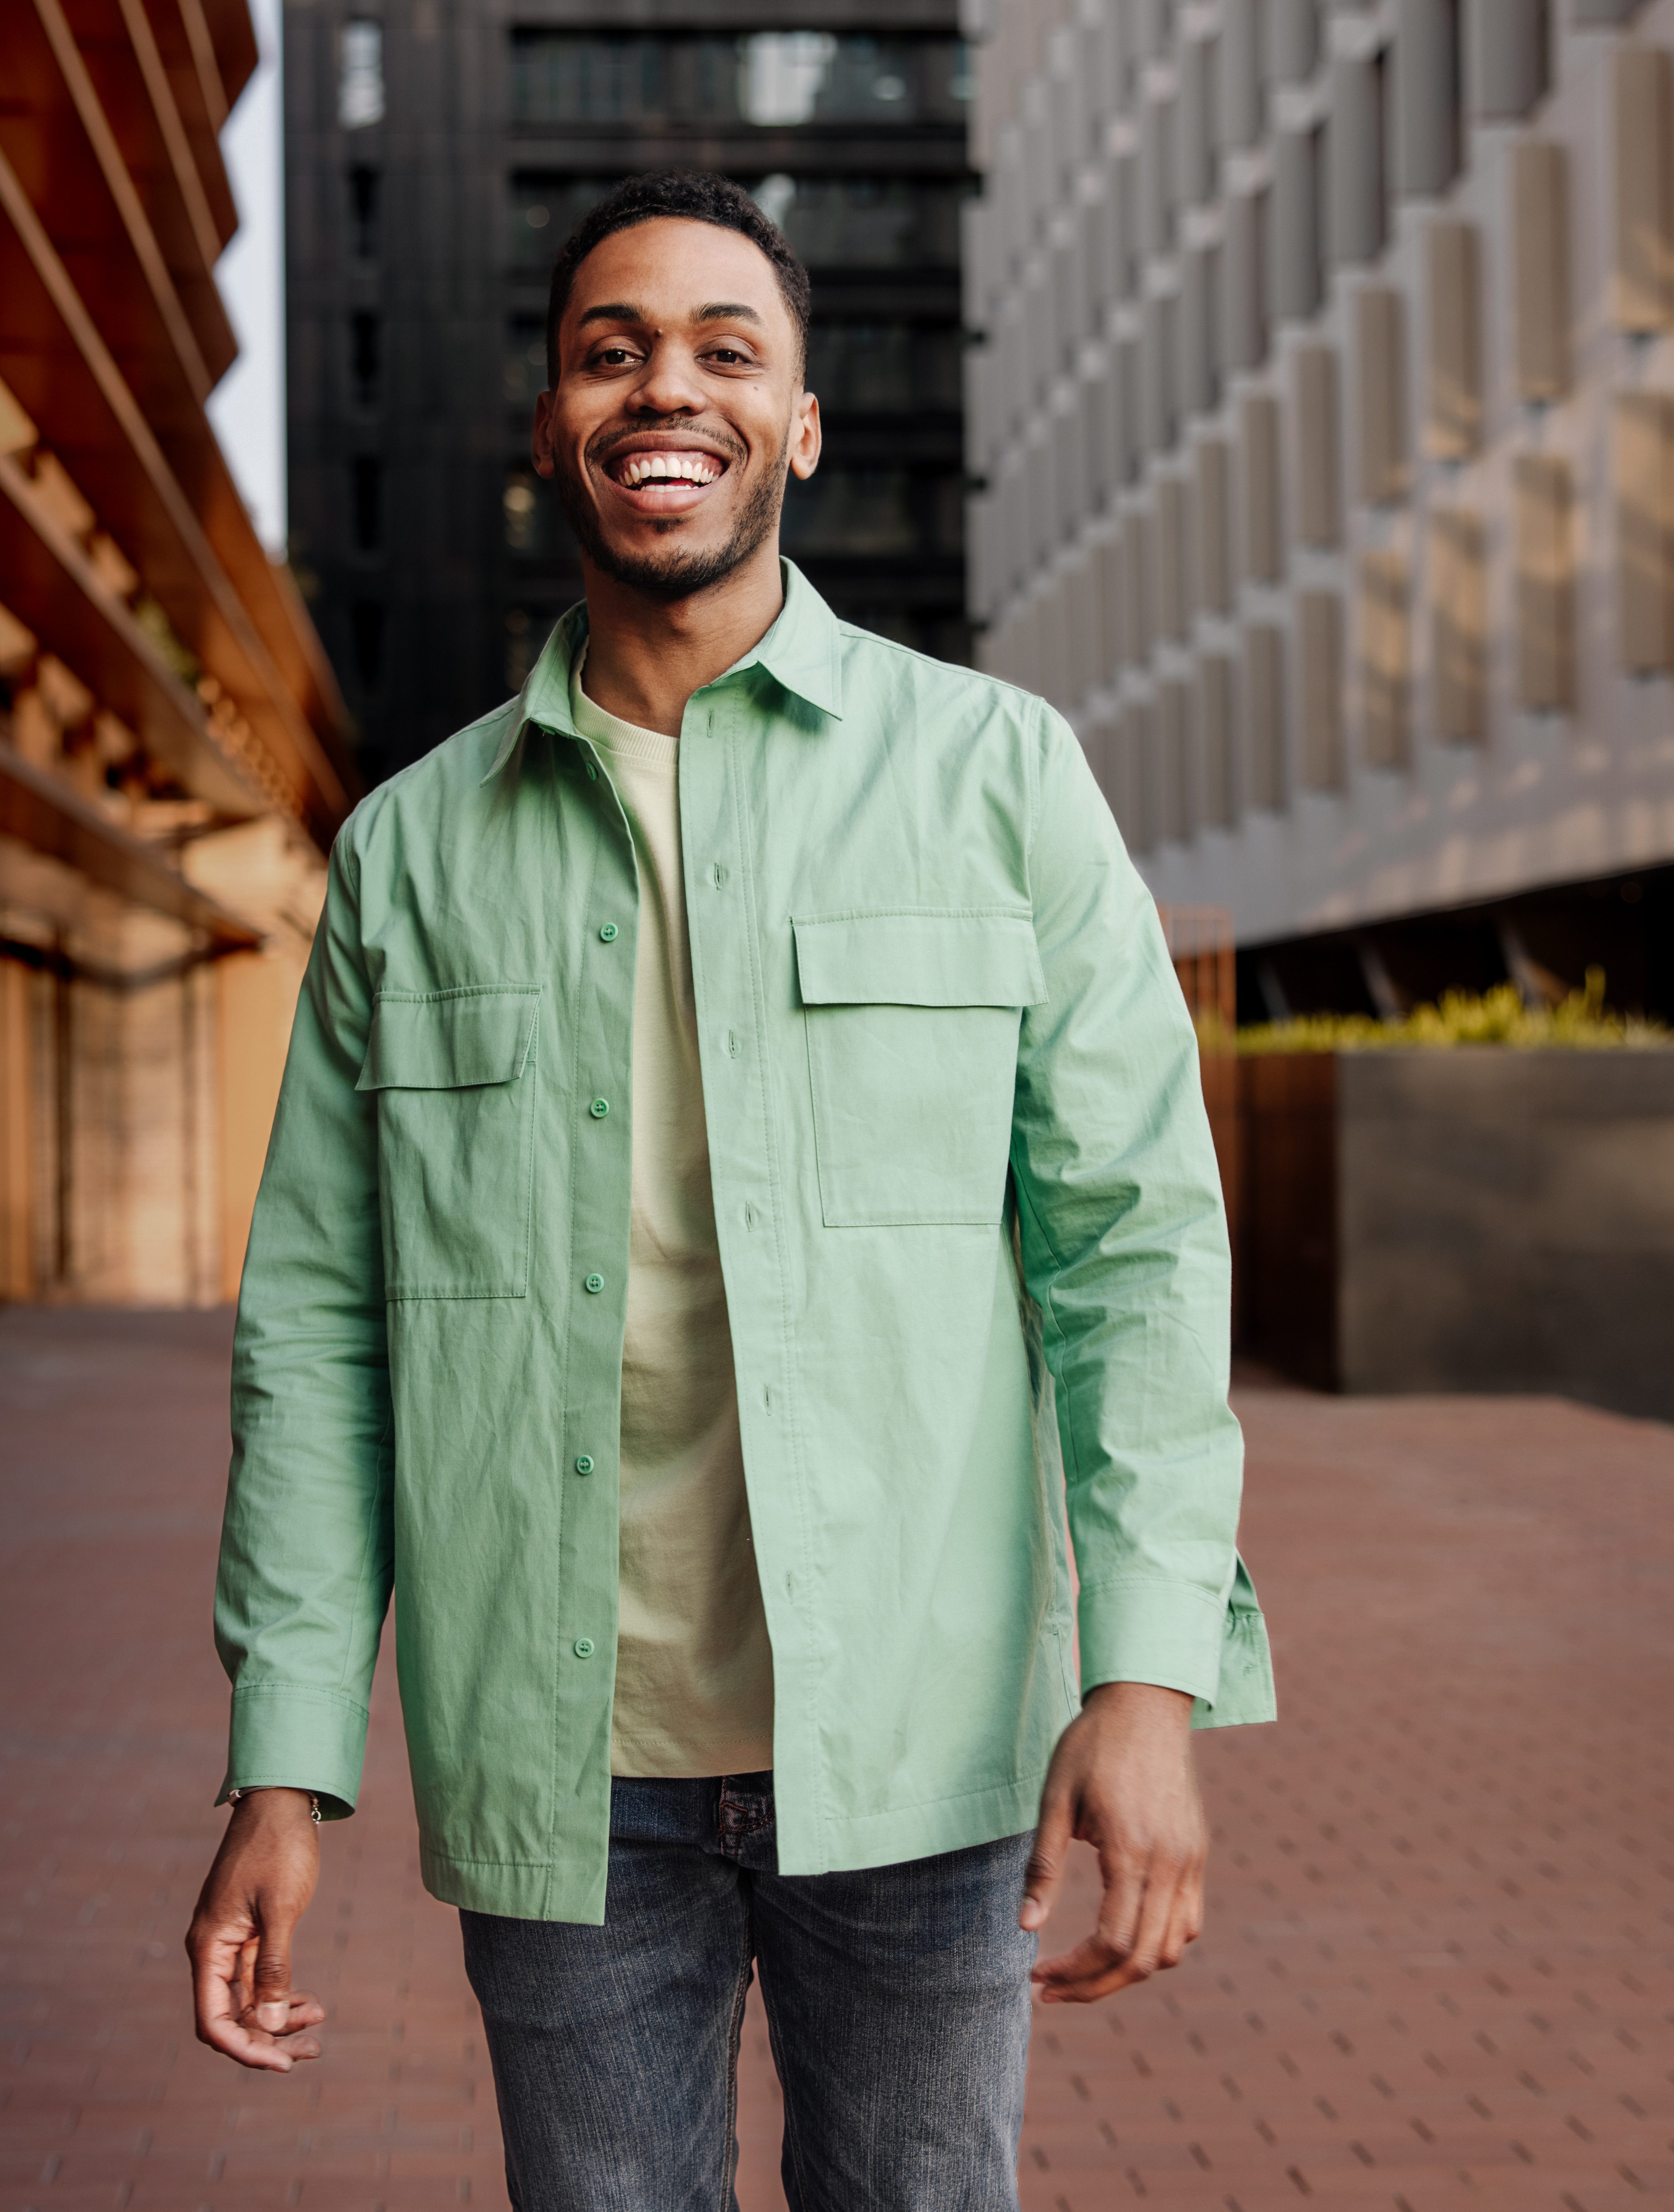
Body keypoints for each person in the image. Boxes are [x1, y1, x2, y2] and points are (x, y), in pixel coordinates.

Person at [186, 170, 1275, 2210]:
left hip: (929, 1743)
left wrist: (1144, 1683)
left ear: (796, 420)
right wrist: (282, 1758)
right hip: (561, 1750)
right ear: (546, 422)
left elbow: (1130, 1246)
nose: (656, 389)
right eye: (608, 352)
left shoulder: (998, 777)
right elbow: (320, 1329)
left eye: (720, 350)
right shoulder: (412, 855)